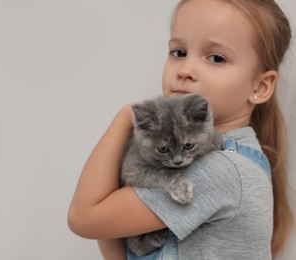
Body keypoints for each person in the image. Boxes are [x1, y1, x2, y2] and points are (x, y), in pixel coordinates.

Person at [67, 0, 294, 259]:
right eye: (179, 52)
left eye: (216, 58)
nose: (185, 70)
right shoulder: (217, 157)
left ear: (260, 87)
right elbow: (109, 230)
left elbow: (85, 218)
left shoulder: (218, 171)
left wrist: (123, 118)